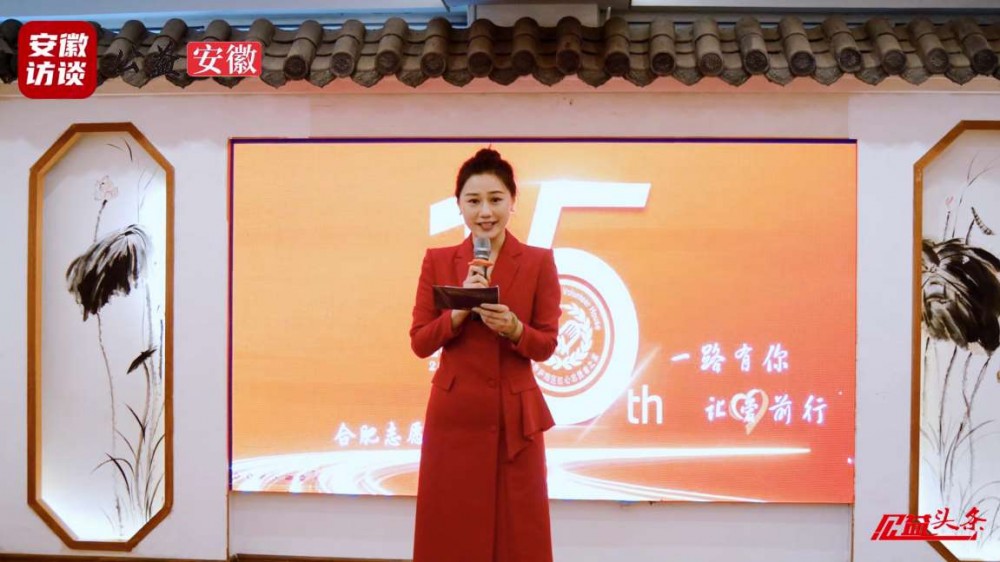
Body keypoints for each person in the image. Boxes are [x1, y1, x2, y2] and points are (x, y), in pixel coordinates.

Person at [409, 148, 562, 562]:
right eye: (473, 201)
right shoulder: (439, 261)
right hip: (455, 417)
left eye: (495, 199)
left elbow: (547, 344)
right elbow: (420, 341)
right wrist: (457, 314)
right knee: (452, 526)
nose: (485, 212)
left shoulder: (538, 262)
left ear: (513, 202)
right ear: (458, 205)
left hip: (514, 421)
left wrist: (515, 329)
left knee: (519, 531)